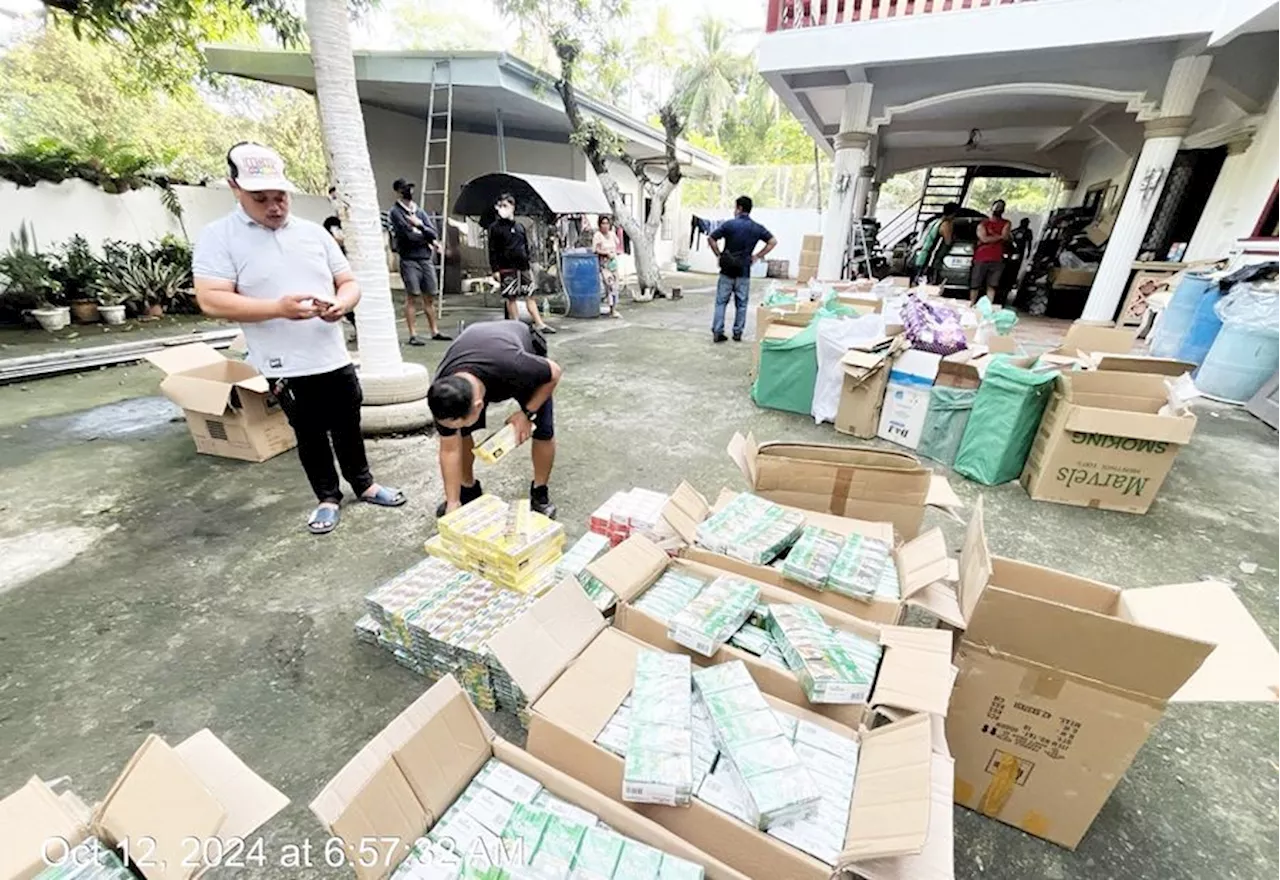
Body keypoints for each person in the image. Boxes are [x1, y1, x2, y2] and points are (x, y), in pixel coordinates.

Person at [192, 142, 406, 535]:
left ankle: (365, 484)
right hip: (283, 362)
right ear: (234, 188)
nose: (274, 207)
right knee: (308, 431)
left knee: (347, 422)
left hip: (332, 353)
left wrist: (342, 304)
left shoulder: (312, 234)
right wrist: (278, 308)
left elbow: (348, 281)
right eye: (261, 199)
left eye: (280, 197)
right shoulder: (219, 236)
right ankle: (327, 496)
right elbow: (210, 298)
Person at [428, 321, 561, 519]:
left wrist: (527, 413)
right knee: (461, 435)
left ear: (478, 406)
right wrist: (453, 501)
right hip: (478, 351)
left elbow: (555, 372)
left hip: (513, 353)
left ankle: (540, 492)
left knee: (543, 429)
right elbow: (449, 449)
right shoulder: (443, 394)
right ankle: (467, 489)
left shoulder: (517, 365)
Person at [389, 178, 450, 345]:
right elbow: (407, 236)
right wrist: (426, 237)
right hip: (409, 259)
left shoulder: (419, 211)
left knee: (429, 296)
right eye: (405, 188)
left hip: (425, 258)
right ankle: (413, 334)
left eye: (410, 187)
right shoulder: (396, 212)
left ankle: (434, 331)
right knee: (412, 296)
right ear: (398, 191)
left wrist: (420, 226)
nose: (408, 191)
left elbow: (433, 232)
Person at [707, 195, 777, 343]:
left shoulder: (729, 225)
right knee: (742, 304)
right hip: (744, 271)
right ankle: (737, 332)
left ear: (739, 208)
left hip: (726, 271)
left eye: (735, 207)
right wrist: (757, 256)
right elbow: (772, 241)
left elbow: (711, 238)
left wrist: (718, 254)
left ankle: (718, 331)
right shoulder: (757, 228)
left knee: (721, 302)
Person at [488, 193, 555, 333]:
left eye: (505, 205)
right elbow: (492, 250)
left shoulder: (519, 227)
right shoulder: (495, 228)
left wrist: (529, 263)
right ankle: (516, 325)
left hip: (523, 267)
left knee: (530, 295)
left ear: (513, 207)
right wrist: (495, 270)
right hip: (506, 268)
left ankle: (539, 323)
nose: (502, 209)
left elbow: (525, 245)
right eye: (500, 206)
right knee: (511, 297)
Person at [970, 199, 1012, 305]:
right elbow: (985, 238)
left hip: (997, 258)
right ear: (991, 208)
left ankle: (988, 307)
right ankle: (971, 304)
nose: (998, 208)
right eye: (997, 206)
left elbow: (1005, 237)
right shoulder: (983, 223)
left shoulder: (1006, 223)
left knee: (992, 285)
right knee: (975, 284)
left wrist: (990, 238)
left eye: (1001, 206)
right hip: (981, 258)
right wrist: (999, 237)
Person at [911, 202, 958, 285]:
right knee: (929, 284)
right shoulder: (946, 225)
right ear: (953, 213)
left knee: (918, 282)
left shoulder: (935, 222)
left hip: (923, 256)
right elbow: (948, 241)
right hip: (931, 259)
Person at [1000, 217, 1035, 303]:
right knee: (1009, 268)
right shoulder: (1015, 231)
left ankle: (1011, 283)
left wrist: (1029, 253)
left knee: (1015, 269)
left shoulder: (1026, 232)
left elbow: (1029, 243)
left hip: (1018, 253)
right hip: (1011, 252)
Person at [593, 216, 621, 318]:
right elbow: (596, 250)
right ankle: (612, 309)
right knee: (610, 285)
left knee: (616, 286)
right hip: (604, 265)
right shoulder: (598, 236)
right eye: (603, 223)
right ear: (600, 225)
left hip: (613, 263)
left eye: (607, 223)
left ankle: (614, 308)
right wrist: (605, 253)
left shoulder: (612, 234)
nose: (605, 226)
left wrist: (614, 252)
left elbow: (618, 244)